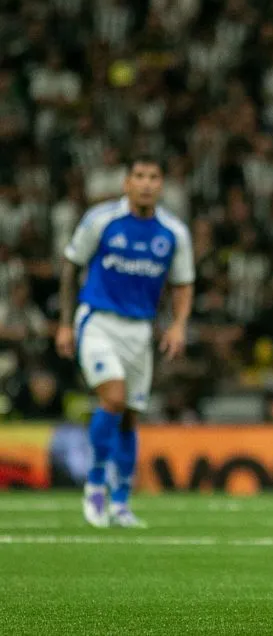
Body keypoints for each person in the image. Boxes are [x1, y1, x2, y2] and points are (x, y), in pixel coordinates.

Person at [55, 155, 194, 529]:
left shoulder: (173, 232)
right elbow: (71, 264)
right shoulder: (101, 220)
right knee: (113, 399)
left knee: (130, 416)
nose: (146, 183)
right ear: (126, 183)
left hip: (140, 329)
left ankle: (121, 502)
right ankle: (95, 484)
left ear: (162, 185)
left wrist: (178, 325)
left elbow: (183, 283)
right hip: (98, 320)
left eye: (154, 177)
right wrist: (65, 324)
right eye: (139, 176)